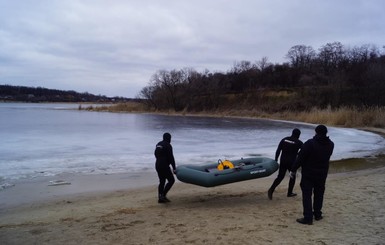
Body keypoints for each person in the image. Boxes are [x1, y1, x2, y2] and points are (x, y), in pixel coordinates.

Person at [291, 125, 334, 225]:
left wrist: (293, 170)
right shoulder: (331, 144)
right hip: (322, 173)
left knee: (307, 195)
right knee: (319, 194)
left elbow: (300, 158)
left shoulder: (310, 143)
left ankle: (308, 218)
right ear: (326, 133)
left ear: (315, 132)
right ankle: (317, 214)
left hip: (308, 174)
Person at [268, 128, 303, 200]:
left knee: (280, 177)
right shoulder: (299, 142)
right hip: (292, 162)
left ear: (292, 133)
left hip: (283, 160)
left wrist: (276, 160)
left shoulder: (284, 139)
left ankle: (271, 190)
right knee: (292, 177)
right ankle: (289, 193)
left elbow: (278, 150)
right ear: (299, 135)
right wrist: (298, 154)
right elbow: (304, 151)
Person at [154, 132, 176, 203]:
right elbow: (171, 157)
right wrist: (174, 168)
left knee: (162, 181)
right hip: (164, 165)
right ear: (169, 138)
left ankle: (160, 197)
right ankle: (163, 195)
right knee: (171, 180)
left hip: (157, 164)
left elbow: (156, 154)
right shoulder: (168, 145)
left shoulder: (158, 144)